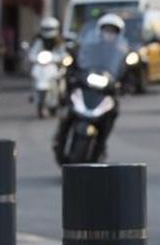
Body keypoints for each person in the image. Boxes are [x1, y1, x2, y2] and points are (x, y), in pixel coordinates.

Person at [53, 14, 126, 158]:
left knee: (113, 111)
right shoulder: (89, 46)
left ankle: (102, 142)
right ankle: (60, 137)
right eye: (106, 30)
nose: (109, 34)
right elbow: (77, 61)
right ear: (100, 31)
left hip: (106, 89)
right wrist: (72, 72)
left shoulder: (121, 51)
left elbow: (125, 70)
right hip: (86, 84)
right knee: (69, 105)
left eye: (112, 31)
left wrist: (125, 83)